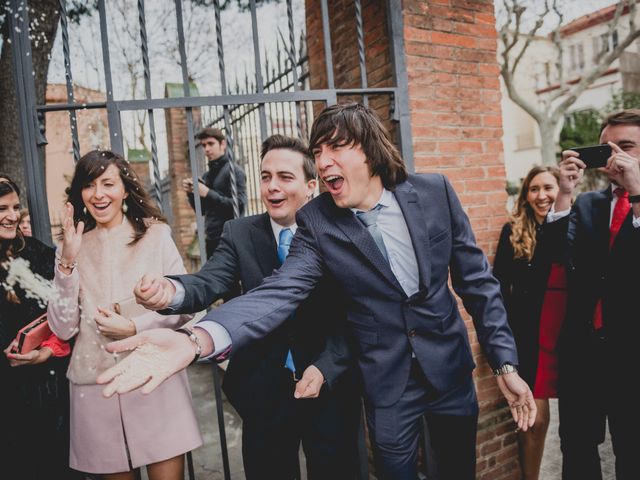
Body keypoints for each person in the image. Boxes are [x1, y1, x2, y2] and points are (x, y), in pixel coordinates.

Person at [98, 103, 536, 480]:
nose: (324, 160)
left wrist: (505, 363)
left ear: (370, 149)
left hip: (450, 374)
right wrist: (196, 340)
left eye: (335, 147)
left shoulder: (435, 192)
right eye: (318, 151)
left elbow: (479, 285)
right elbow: (279, 291)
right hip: (387, 387)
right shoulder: (318, 221)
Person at [137, 134, 360, 479]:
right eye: (266, 176)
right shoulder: (239, 233)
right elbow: (209, 282)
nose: (272, 187)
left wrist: (326, 367)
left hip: (328, 387)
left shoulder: (340, 232)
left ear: (311, 184)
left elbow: (353, 313)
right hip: (263, 393)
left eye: (285, 177)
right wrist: (170, 291)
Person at [47, 150, 202, 479]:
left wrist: (135, 326)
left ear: (125, 189)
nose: (99, 194)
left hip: (154, 379)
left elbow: (186, 304)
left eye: (108, 183)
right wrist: (67, 263)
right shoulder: (70, 247)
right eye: (90, 185)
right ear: (80, 194)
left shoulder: (155, 235)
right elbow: (62, 327)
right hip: (97, 387)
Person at [549, 109, 640, 480]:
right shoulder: (586, 205)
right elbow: (556, 258)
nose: (614, 155)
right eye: (606, 148)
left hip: (633, 358)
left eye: (627, 146)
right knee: (577, 449)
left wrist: (638, 193)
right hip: (583, 355)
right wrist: (565, 193)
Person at [0, 176, 78, 479]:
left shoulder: (38, 253)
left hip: (49, 388)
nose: (11, 215)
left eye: (15, 207)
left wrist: (49, 350)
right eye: (2, 208)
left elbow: (66, 310)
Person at [493, 166, 565, 480]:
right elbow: (496, 285)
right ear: (525, 195)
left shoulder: (570, 226)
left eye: (548, 187)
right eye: (534, 189)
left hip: (567, 330)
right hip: (529, 334)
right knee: (534, 417)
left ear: (560, 190)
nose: (541, 195)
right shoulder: (513, 231)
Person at [183, 127, 247, 258]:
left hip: (230, 237)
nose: (206, 149)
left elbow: (239, 205)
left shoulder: (235, 171)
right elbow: (201, 211)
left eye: (211, 144)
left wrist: (208, 193)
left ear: (223, 144)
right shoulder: (207, 176)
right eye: (204, 145)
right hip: (211, 239)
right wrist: (192, 193)